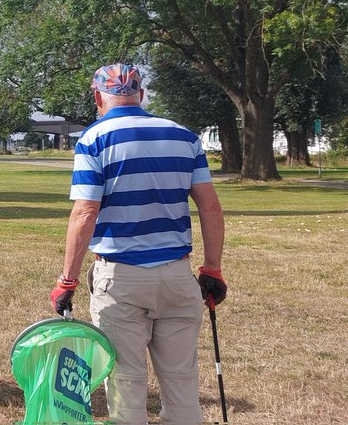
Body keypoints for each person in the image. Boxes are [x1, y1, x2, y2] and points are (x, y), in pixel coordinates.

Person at [50, 63, 227, 424]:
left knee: (126, 384)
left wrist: (67, 280)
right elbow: (209, 205)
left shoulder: (94, 139)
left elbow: (85, 213)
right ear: (141, 95)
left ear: (98, 97)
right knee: (182, 384)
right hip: (178, 276)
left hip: (121, 279)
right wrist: (212, 268)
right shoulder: (184, 136)